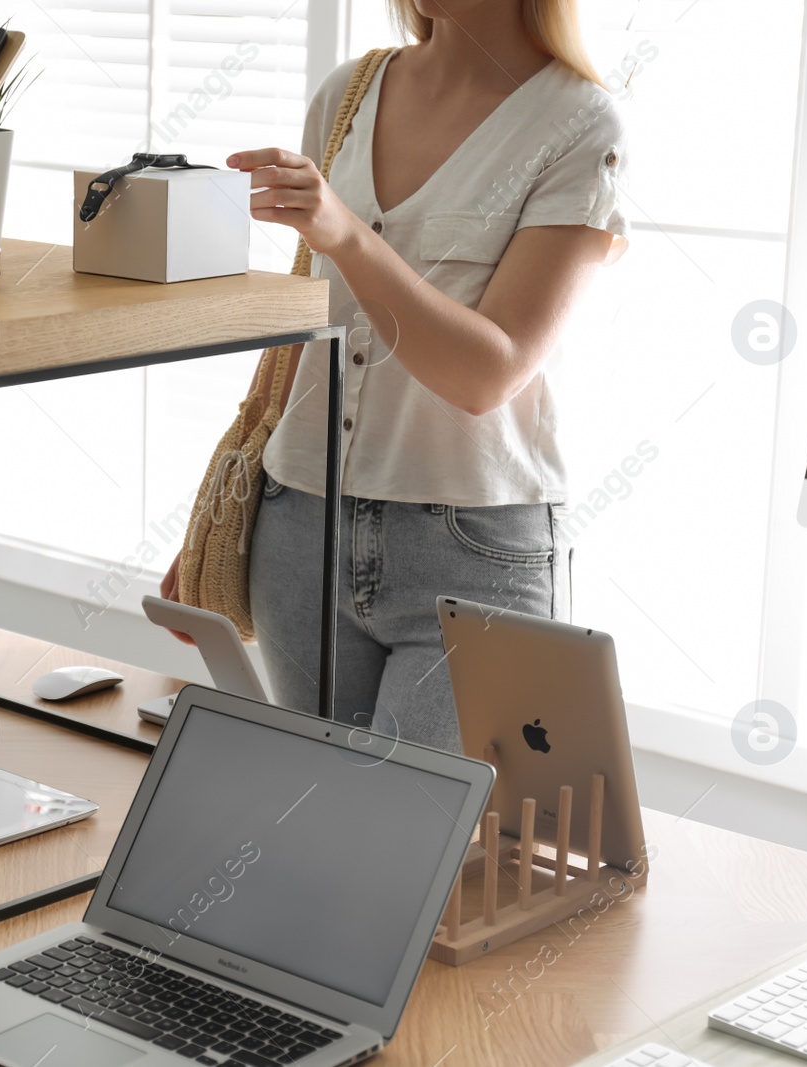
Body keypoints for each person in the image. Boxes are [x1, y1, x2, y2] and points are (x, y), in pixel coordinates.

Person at [161, 0, 630, 751]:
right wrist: (221, 513)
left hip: (472, 552)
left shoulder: (580, 125)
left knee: (410, 842)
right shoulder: (348, 94)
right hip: (298, 526)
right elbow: (301, 327)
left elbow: (490, 372)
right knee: (315, 821)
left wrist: (345, 234)